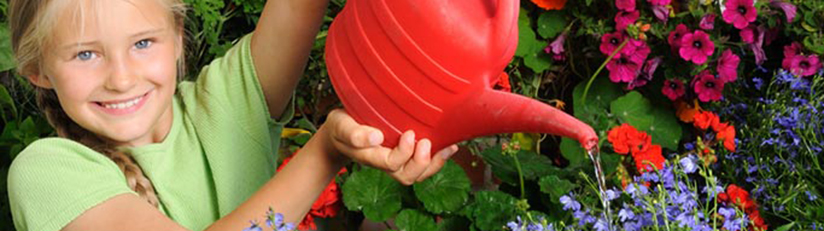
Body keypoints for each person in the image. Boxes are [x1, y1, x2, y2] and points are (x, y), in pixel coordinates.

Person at [6, 0, 459, 231]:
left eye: (143, 43)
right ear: (37, 71)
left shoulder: (226, 102)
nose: (121, 79)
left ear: (178, 38)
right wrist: (324, 152)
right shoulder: (48, 172)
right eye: (86, 54)